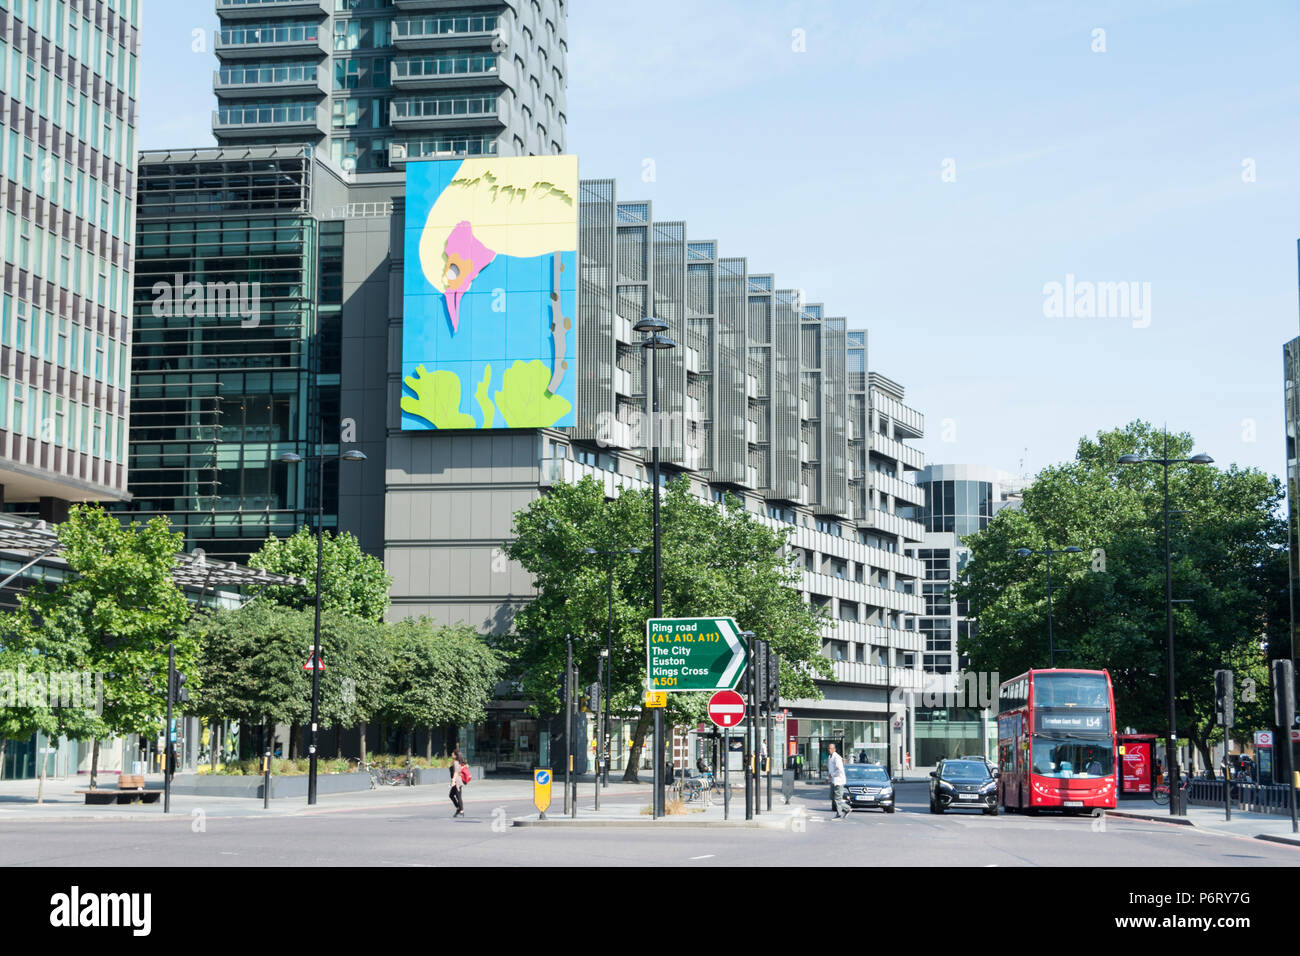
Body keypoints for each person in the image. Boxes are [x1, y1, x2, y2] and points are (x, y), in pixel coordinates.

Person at [827, 743, 848, 818]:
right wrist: (828, 778)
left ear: (834, 749)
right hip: (833, 780)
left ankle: (839, 813)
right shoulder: (830, 757)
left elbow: (840, 770)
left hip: (839, 781)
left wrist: (831, 775)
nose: (829, 750)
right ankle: (847, 808)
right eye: (828, 748)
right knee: (832, 797)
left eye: (831, 748)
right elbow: (830, 770)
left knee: (837, 799)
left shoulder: (837, 757)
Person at [449, 748, 467, 818]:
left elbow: (456, 772)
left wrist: (453, 781)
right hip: (457, 781)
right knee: (452, 795)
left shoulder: (456, 762)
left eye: (452, 753)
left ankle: (461, 810)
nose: (451, 754)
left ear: (455, 755)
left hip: (457, 782)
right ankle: (459, 808)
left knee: (458, 796)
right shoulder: (457, 762)